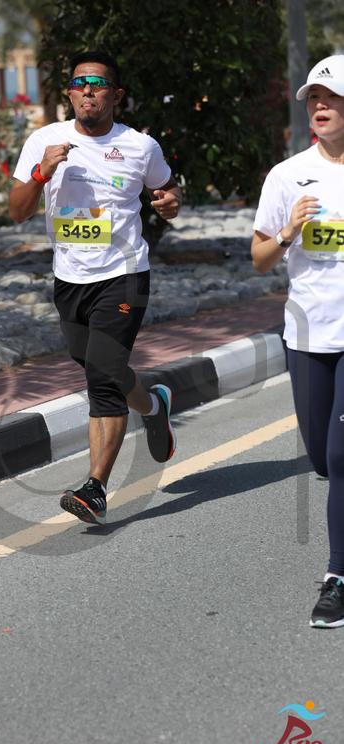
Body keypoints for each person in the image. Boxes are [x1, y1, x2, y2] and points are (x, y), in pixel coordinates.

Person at [9, 51, 182, 526]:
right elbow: (17, 210)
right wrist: (42, 172)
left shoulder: (139, 146)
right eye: (79, 82)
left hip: (124, 275)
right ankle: (153, 405)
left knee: (103, 374)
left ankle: (95, 487)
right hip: (70, 278)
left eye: (98, 83)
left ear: (116, 95)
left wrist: (170, 202)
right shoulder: (44, 141)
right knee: (97, 364)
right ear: (69, 93)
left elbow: (168, 189)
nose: (88, 90)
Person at [251, 54, 344, 628]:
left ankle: (337, 577)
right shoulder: (287, 176)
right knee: (320, 457)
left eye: (331, 98)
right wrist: (288, 231)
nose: (320, 107)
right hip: (308, 333)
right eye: (314, 98)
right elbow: (260, 258)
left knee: (340, 455)